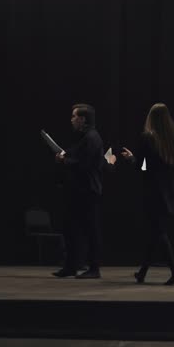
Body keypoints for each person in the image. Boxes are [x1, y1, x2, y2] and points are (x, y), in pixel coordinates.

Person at [116, 103, 174, 285]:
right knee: (155, 233)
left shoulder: (148, 137)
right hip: (169, 189)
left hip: (154, 190)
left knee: (158, 232)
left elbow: (143, 167)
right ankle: (142, 272)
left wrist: (132, 159)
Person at [54, 103, 104, 279]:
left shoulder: (91, 138)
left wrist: (63, 160)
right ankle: (71, 266)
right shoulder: (85, 137)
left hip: (87, 191)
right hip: (79, 191)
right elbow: (75, 155)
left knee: (90, 230)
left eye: (74, 116)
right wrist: (64, 155)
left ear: (82, 119)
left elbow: (84, 165)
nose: (72, 119)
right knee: (71, 229)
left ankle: (94, 268)